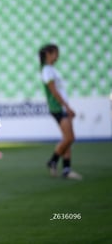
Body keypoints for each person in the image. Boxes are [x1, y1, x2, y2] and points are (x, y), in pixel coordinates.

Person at [39, 44, 82, 180]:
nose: (57, 56)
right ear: (49, 54)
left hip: (61, 107)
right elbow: (54, 91)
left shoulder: (51, 69)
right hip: (57, 107)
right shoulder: (47, 70)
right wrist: (67, 107)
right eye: (55, 53)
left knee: (67, 138)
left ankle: (66, 169)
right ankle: (53, 160)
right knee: (70, 138)